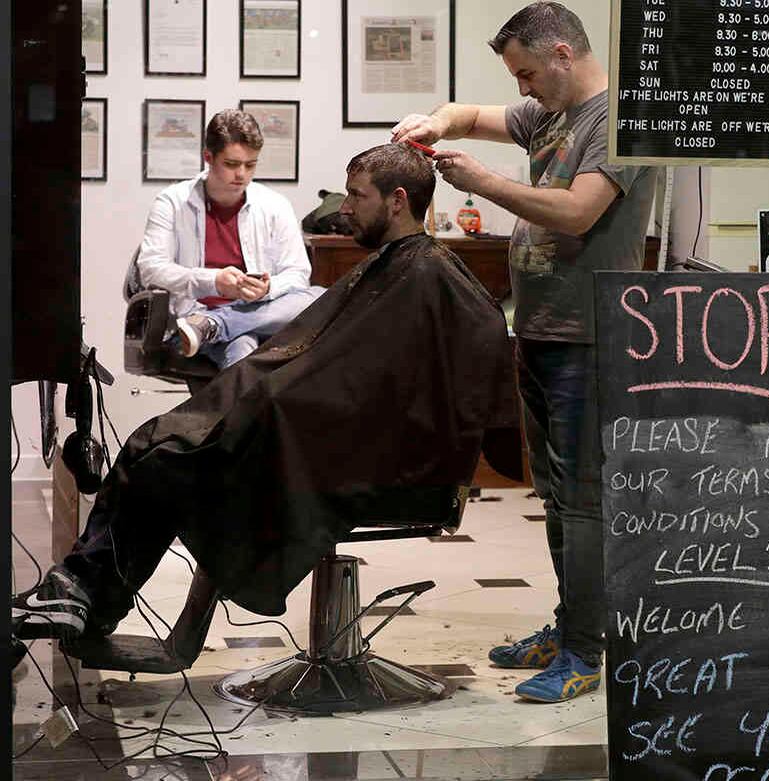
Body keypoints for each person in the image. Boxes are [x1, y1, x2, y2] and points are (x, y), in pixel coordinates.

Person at [13, 144, 511, 644]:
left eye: (356, 196)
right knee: (153, 446)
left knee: (164, 463)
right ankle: (85, 597)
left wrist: (263, 408)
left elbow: (403, 376)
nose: (343, 208)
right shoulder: (400, 267)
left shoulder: (429, 275)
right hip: (341, 442)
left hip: (372, 465)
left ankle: (86, 595)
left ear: (397, 200)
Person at [391, 1, 657, 703]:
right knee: (556, 498)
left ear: (563, 54)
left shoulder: (622, 122)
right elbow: (466, 114)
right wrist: (433, 124)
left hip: (589, 337)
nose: (522, 90)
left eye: (529, 74)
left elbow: (577, 211)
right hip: (540, 330)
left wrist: (481, 182)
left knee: (584, 502)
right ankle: (570, 626)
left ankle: (586, 651)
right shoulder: (549, 111)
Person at [131, 108, 323, 368]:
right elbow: (151, 270)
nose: (241, 174)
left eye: (250, 165)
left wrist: (268, 289)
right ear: (208, 157)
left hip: (257, 312)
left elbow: (298, 274)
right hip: (194, 314)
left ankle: (214, 325)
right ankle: (212, 324)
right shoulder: (171, 202)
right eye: (232, 164)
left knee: (318, 297)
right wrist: (214, 282)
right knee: (243, 345)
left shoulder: (275, 205)